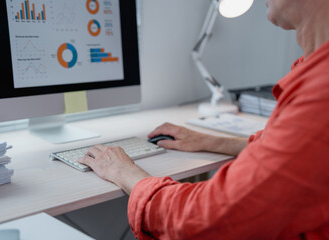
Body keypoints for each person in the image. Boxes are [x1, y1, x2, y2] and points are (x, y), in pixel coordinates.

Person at [78, 0, 329, 239]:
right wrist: (211, 141)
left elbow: (205, 220)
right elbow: (287, 152)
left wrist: (125, 172)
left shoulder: (320, 95)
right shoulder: (312, 73)